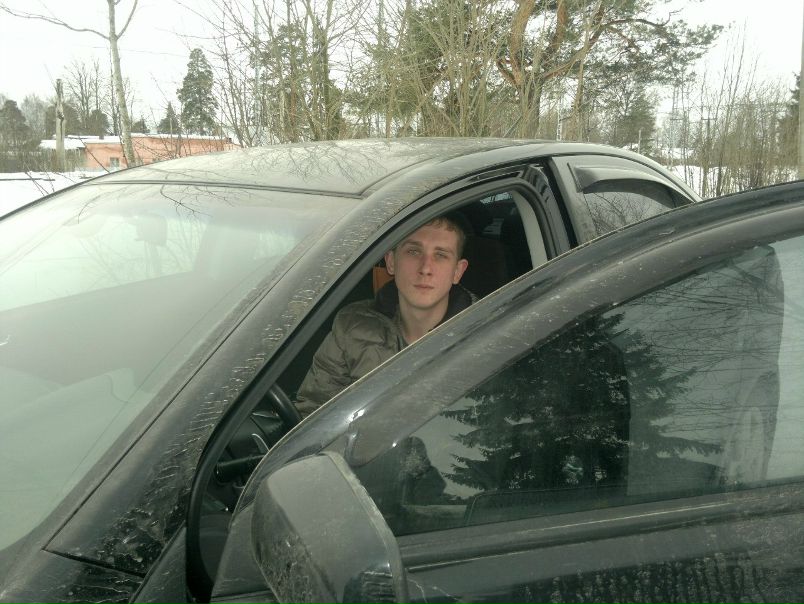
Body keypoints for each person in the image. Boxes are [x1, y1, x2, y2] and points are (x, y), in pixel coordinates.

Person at [296, 213, 475, 414]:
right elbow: (312, 412)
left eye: (440, 255)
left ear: (458, 271)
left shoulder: (487, 331)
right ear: (391, 262)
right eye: (414, 251)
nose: (425, 268)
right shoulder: (352, 326)